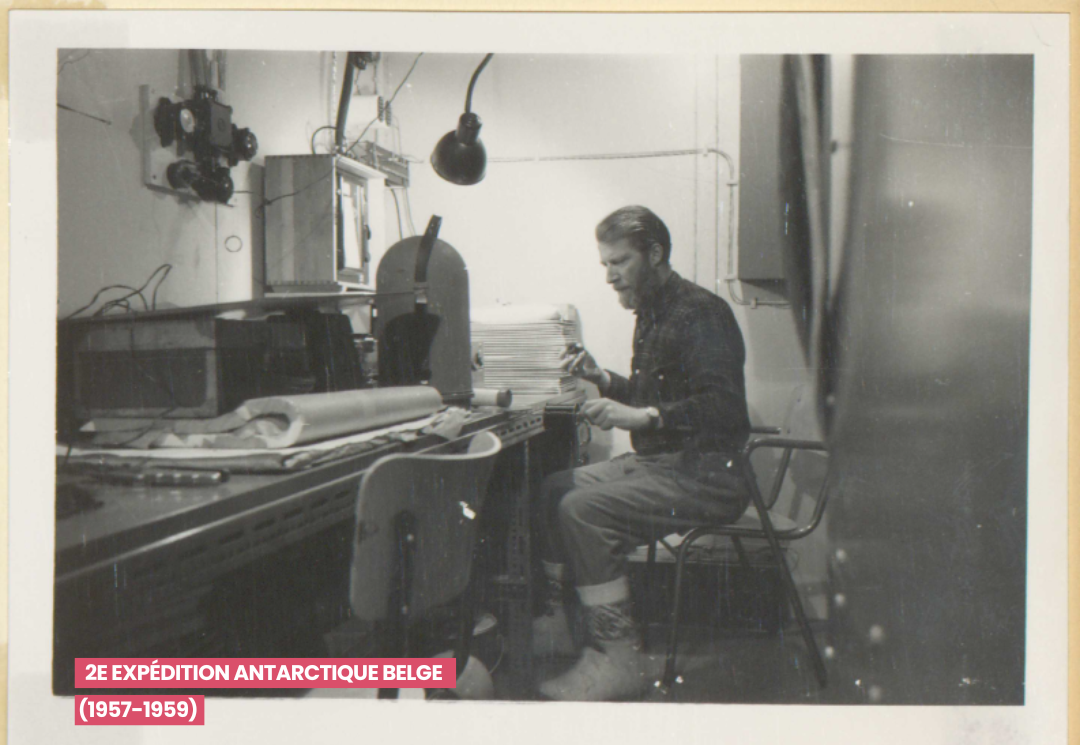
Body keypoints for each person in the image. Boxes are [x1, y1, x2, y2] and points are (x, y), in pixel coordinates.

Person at [535, 205, 752, 701]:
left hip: (708, 475)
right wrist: (604, 380)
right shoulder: (653, 312)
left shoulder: (701, 312)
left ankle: (618, 658)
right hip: (665, 464)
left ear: (654, 254)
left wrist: (646, 418)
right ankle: (562, 624)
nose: (611, 277)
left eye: (620, 262)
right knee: (554, 489)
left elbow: (723, 408)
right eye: (606, 265)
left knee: (582, 509)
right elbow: (657, 393)